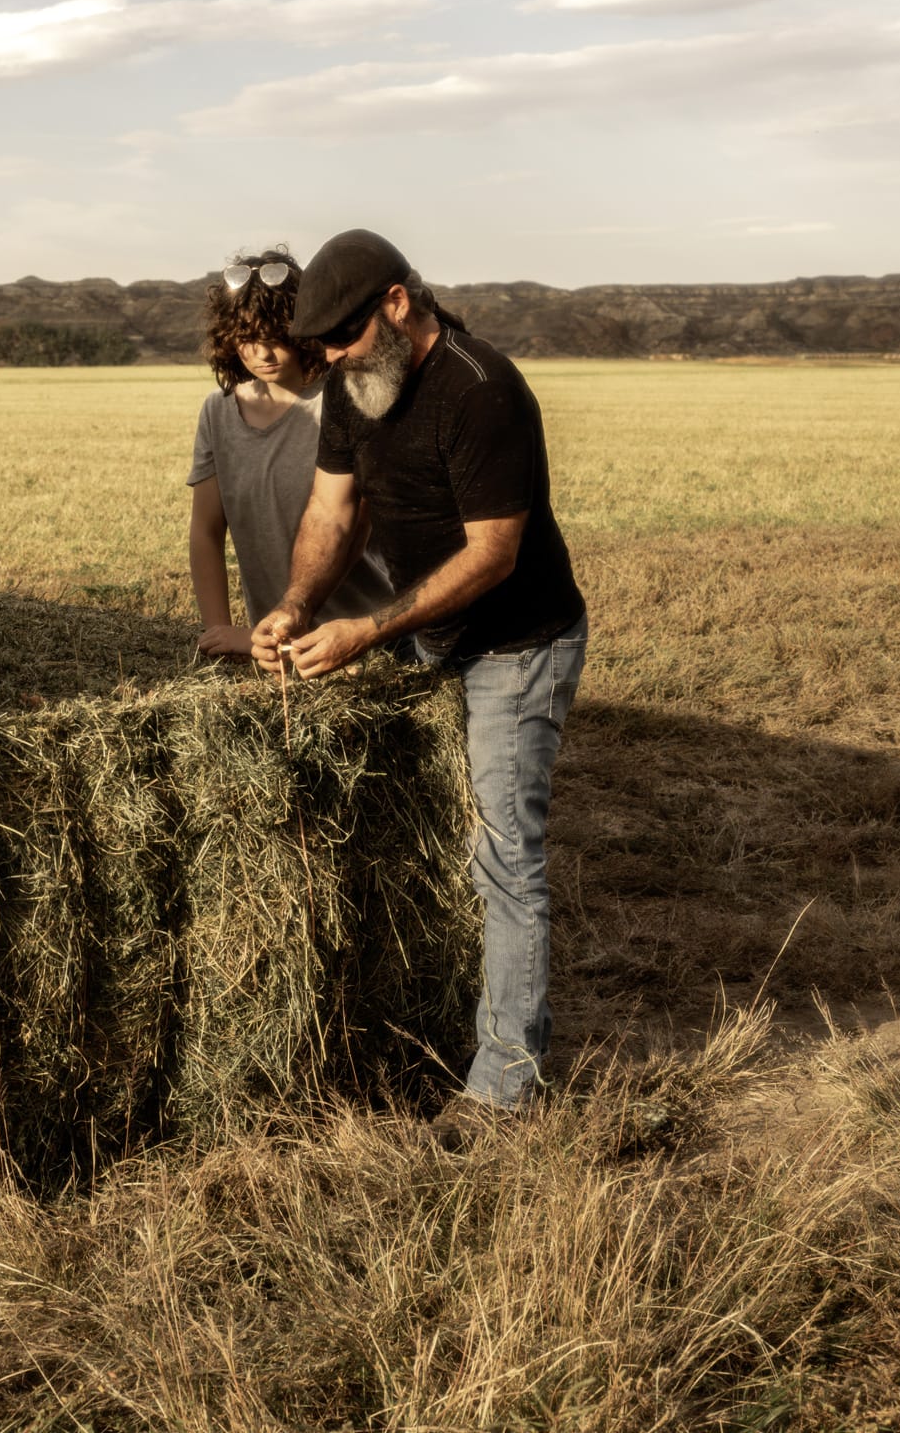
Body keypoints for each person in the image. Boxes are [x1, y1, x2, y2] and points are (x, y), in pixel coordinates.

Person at [250, 229, 587, 1139]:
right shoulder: (358, 387)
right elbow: (336, 508)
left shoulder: (483, 392)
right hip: (425, 635)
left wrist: (370, 628)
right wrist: (295, 603)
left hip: (516, 642)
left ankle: (503, 1092)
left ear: (397, 303)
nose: (325, 357)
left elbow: (494, 554)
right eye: (317, 345)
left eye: (341, 337)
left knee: (505, 856)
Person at [188, 245, 391, 659]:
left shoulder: (346, 398)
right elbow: (206, 531)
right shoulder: (217, 412)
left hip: (360, 637)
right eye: (245, 339)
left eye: (274, 338)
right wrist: (221, 634)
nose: (261, 354)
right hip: (275, 644)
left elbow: (353, 529)